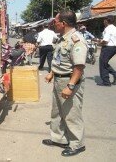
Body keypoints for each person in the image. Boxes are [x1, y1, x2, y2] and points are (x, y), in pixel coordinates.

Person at [43, 10, 87, 157]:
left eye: (55, 21)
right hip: (58, 80)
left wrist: (70, 86)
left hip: (69, 81)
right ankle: (59, 138)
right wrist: (52, 73)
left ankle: (77, 144)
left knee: (71, 114)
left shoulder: (76, 40)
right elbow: (59, 60)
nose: (54, 24)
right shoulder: (62, 38)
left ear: (63, 23)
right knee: (57, 112)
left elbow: (78, 67)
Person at [97, 15, 116, 86]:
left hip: (107, 48)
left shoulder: (107, 29)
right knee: (105, 63)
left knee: (103, 65)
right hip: (113, 48)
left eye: (104, 20)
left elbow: (105, 41)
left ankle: (106, 82)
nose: (103, 21)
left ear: (106, 21)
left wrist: (99, 43)